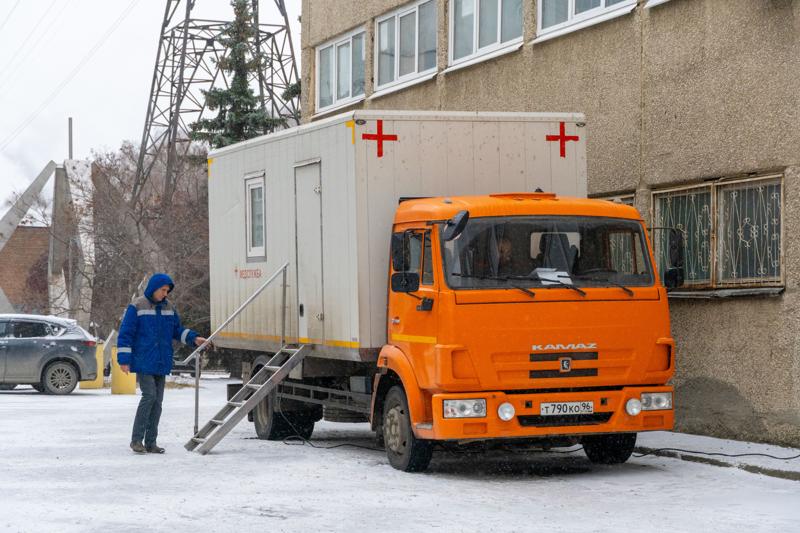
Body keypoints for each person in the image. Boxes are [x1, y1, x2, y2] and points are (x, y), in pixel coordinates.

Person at [117, 273, 208, 454]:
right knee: (149, 396)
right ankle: (136, 440)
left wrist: (194, 338)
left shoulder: (169, 308)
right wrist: (124, 360)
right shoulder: (137, 306)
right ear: (154, 288)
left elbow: (177, 330)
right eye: (163, 290)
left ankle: (151, 442)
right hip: (144, 360)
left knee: (158, 402)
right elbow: (126, 334)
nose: (165, 294)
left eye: (167, 291)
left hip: (161, 360)